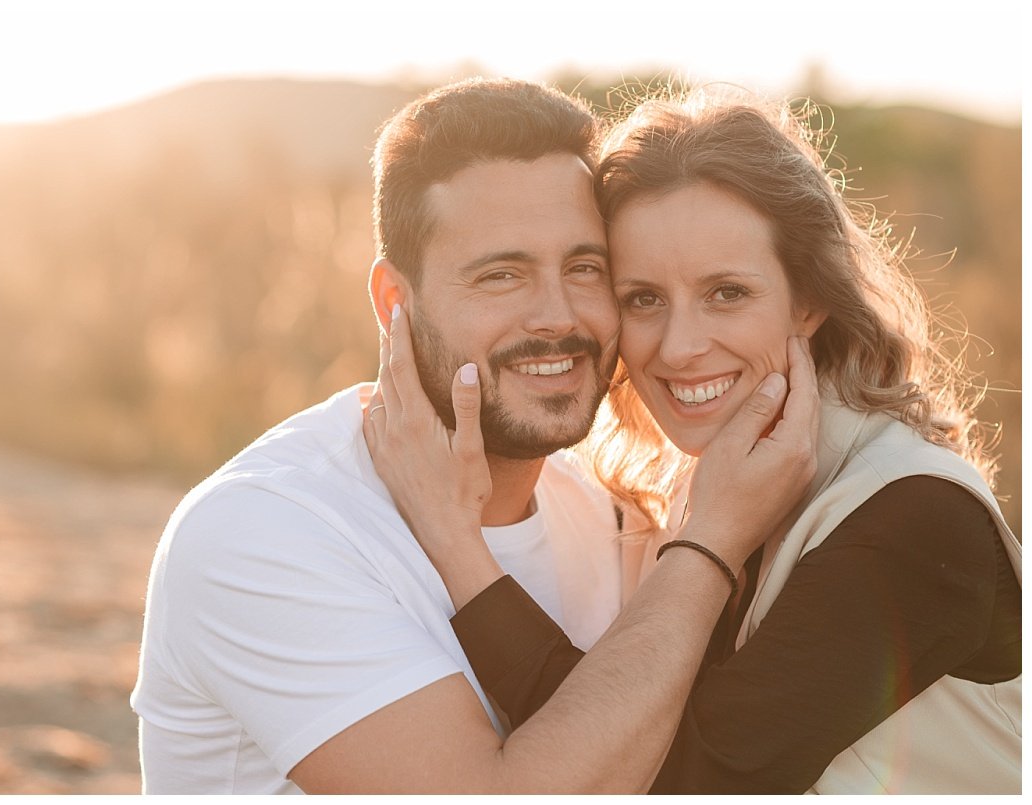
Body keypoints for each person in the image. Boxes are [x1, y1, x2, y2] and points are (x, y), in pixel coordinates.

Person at [130, 78, 820, 794]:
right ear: (395, 301)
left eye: (585, 267)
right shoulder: (264, 530)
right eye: (502, 275)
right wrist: (710, 538)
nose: (557, 316)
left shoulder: (597, 514)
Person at [365, 86, 1021, 794]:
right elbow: (614, 721)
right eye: (643, 298)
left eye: (726, 293)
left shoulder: (915, 519)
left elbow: (676, 775)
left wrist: (455, 542)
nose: (679, 348)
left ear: (808, 299)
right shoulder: (709, 490)